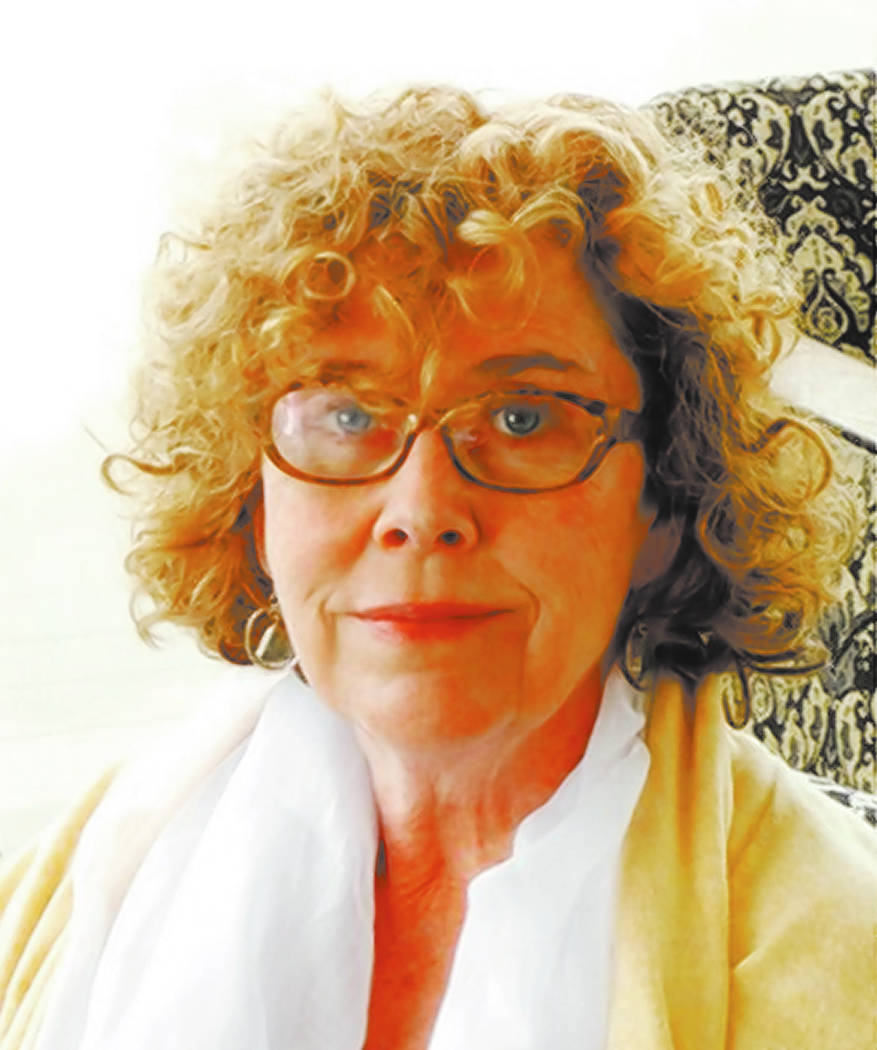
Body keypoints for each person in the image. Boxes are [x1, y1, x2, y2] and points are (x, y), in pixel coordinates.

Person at [1, 86, 875, 1050]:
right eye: (346, 415)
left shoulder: (836, 954)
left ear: (665, 501)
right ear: (251, 497)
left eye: (522, 419)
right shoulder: (84, 881)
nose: (421, 513)